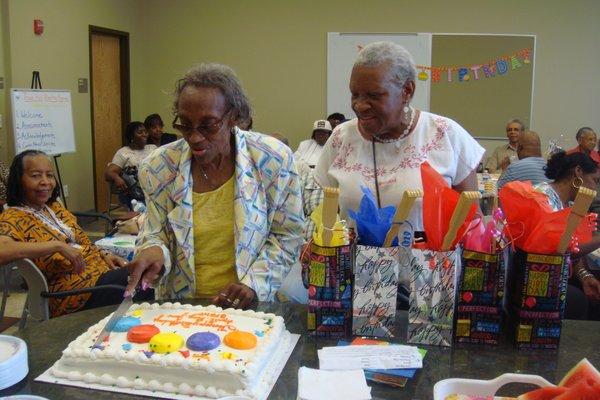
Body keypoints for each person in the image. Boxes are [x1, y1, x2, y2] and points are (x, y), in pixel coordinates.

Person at [126, 63, 304, 310]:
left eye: (208, 125)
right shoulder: (158, 167)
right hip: (180, 307)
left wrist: (253, 284)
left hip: (248, 308)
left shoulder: (273, 160)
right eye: (185, 125)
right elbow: (155, 231)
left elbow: (288, 235)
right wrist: (152, 250)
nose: (195, 137)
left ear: (234, 117)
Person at [315, 41, 484, 231]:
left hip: (428, 260)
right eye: (355, 94)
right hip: (353, 260)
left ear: (407, 91)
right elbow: (330, 216)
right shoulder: (341, 137)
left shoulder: (446, 133)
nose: (360, 105)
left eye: (375, 95)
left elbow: (472, 221)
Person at [0, 150, 151, 317]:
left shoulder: (54, 208)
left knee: (151, 267)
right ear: (19, 180)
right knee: (145, 278)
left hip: (100, 276)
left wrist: (105, 253)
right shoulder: (13, 216)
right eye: (35, 176)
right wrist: (56, 246)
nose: (45, 182)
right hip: (72, 293)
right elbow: (2, 250)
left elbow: (82, 242)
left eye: (49, 175)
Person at [534, 151, 600, 320]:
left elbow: (571, 252)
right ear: (578, 172)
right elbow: (559, 250)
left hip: (554, 273)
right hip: (536, 280)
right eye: (595, 180)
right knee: (578, 301)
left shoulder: (568, 204)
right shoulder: (543, 197)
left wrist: (585, 276)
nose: (595, 189)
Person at [104, 121, 157, 206]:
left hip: (155, 187)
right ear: (131, 136)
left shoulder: (153, 148)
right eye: (140, 132)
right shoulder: (124, 152)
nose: (144, 134)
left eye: (145, 132)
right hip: (135, 192)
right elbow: (108, 173)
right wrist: (118, 179)